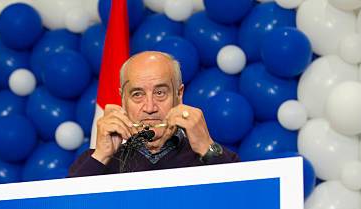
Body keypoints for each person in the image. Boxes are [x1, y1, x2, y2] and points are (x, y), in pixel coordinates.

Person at [68, 51, 239, 177]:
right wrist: (102, 155)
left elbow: (244, 202)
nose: (150, 107)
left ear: (179, 95)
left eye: (160, 93)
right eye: (137, 94)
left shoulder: (211, 154)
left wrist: (206, 148)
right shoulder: (95, 160)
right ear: (122, 99)